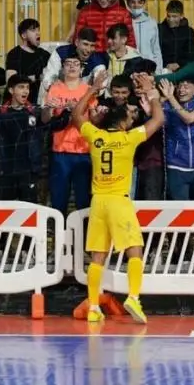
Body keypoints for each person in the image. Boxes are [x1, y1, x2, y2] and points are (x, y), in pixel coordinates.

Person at [72, 70, 164, 324]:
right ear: (122, 121)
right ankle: (133, 296)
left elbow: (75, 116)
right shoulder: (128, 138)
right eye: (131, 116)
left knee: (98, 257)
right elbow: (158, 119)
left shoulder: (96, 137)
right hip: (118, 201)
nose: (133, 118)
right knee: (135, 251)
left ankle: (92, 306)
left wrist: (92, 89)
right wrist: (150, 91)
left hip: (98, 201)